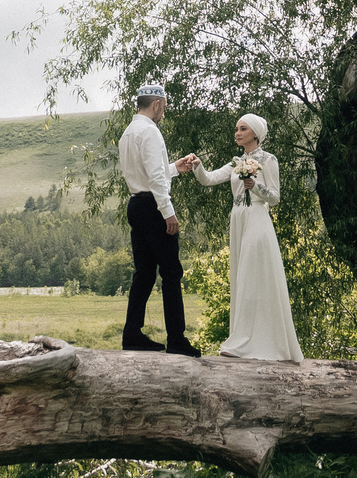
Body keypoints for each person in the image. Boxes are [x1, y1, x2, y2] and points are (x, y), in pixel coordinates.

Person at [182, 113, 304, 361]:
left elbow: (275, 197)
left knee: (251, 275)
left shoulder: (269, 160)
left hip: (257, 218)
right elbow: (210, 179)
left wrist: (255, 186)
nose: (237, 133)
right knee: (241, 276)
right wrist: (198, 165)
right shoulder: (238, 161)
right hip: (238, 219)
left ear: (255, 134)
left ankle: (256, 341)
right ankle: (243, 338)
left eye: (243, 129)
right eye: (236, 129)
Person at [117, 82, 200, 355]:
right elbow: (154, 178)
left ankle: (132, 334)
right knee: (171, 272)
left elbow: (149, 173)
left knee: (144, 273)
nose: (164, 112)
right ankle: (177, 339)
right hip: (153, 207)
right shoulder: (150, 132)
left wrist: (175, 168)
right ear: (156, 104)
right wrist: (169, 212)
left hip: (136, 205)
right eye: (163, 107)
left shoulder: (128, 133)